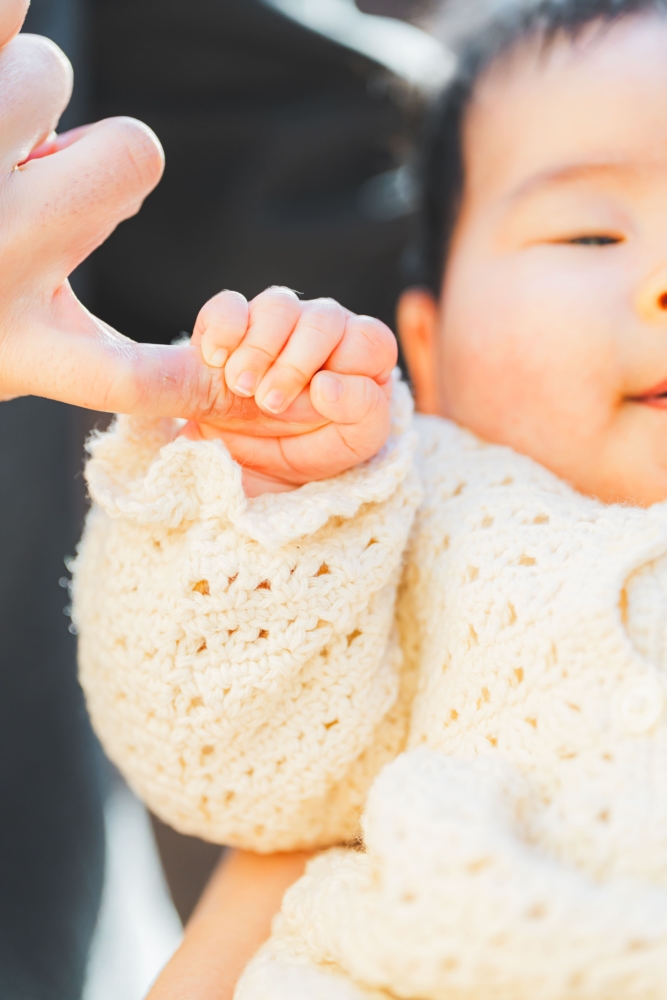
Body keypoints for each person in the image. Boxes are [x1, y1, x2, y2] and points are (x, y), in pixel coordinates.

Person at [72, 0, 667, 995]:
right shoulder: (399, 525)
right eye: (588, 235)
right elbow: (223, 759)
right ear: (427, 352)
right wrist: (275, 498)